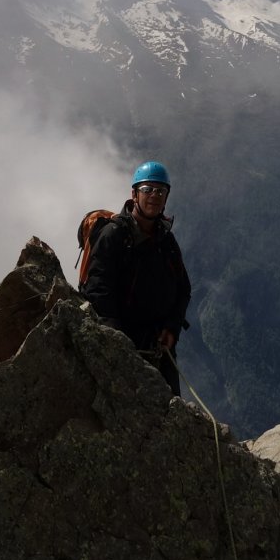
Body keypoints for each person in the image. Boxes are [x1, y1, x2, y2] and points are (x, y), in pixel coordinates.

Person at [80, 161, 192, 396]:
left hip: (158, 345)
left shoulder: (167, 242)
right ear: (134, 194)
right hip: (123, 340)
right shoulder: (114, 235)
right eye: (148, 189)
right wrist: (115, 337)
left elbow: (183, 289)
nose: (154, 196)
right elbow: (99, 287)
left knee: (169, 412)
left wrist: (172, 328)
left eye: (160, 191)